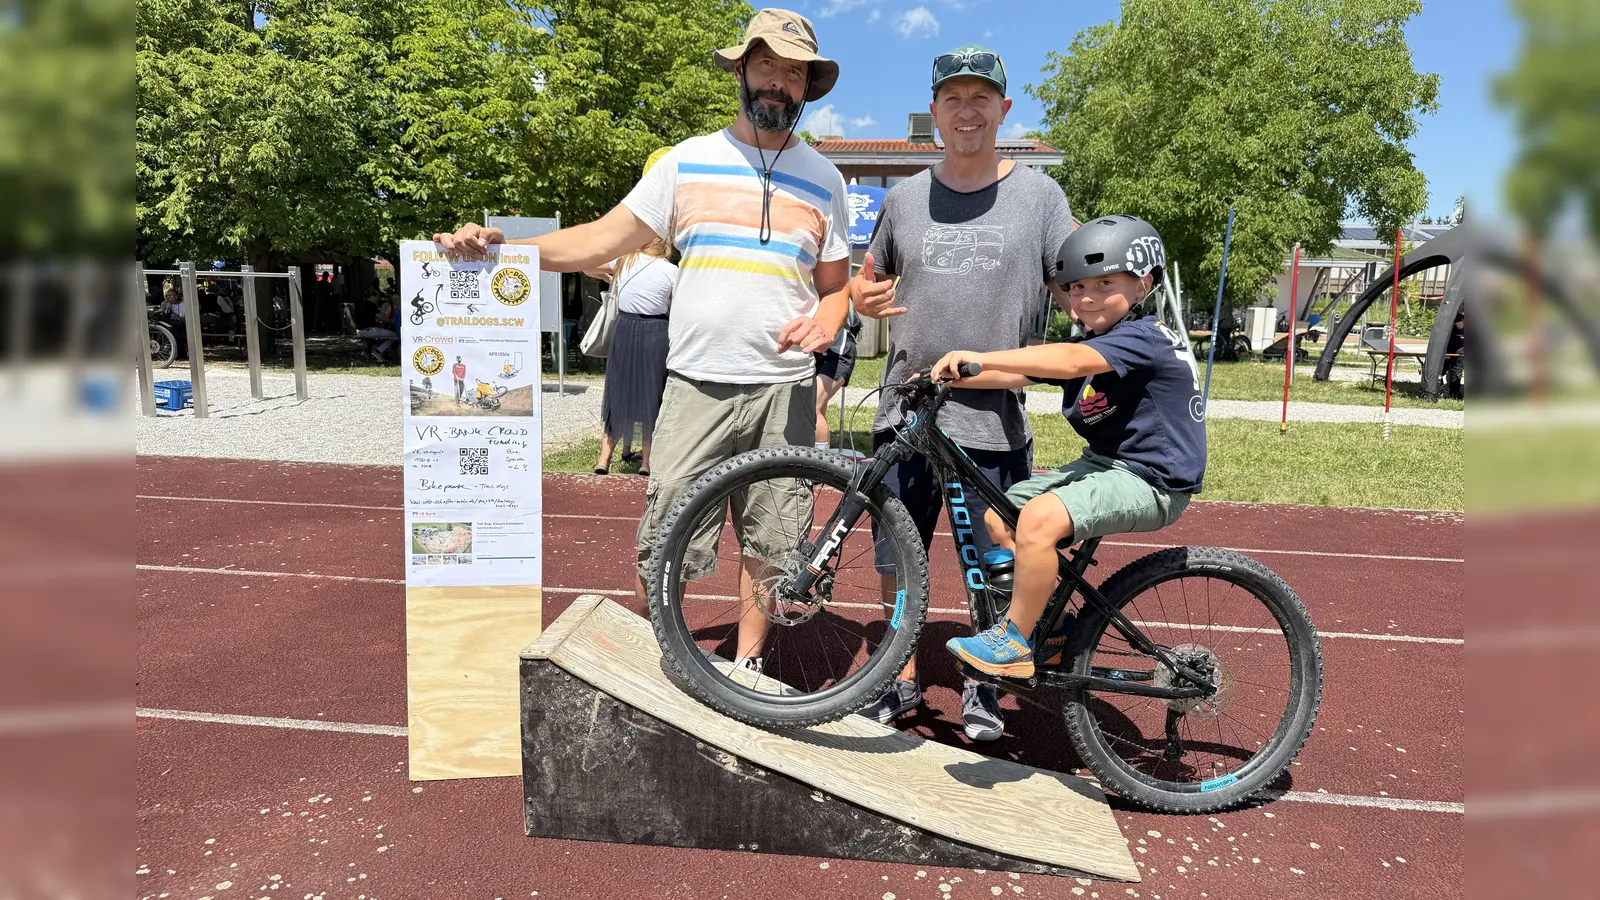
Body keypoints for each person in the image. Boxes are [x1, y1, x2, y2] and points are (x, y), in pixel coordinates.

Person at [435, 9, 852, 628]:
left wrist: (828, 320)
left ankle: (747, 671)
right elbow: (601, 240)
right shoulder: (685, 163)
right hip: (692, 385)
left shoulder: (826, 180)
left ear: (805, 87)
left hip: (783, 392)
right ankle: (659, 665)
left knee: (771, 549)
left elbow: (836, 289)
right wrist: (506, 250)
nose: (779, 82)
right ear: (741, 68)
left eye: (795, 72)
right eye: (768, 64)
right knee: (662, 546)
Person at [848, 43, 1078, 742]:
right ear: (935, 113)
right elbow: (867, 280)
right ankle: (899, 680)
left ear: (1004, 110)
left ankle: (985, 688)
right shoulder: (904, 197)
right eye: (954, 98)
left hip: (993, 417)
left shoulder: (1041, 198)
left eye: (981, 98)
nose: (968, 111)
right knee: (898, 559)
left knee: (998, 564)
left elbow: (1076, 287)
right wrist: (860, 296)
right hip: (905, 413)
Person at [931, 216, 1206, 680]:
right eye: (1076, 287)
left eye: (1104, 282)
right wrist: (948, 375)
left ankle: (1014, 642)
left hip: (1152, 479)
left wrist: (980, 356)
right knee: (1002, 515)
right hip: (1109, 464)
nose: (1088, 296)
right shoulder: (1102, 340)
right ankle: (1054, 634)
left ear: (1145, 283)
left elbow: (1069, 360)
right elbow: (1020, 374)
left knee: (1038, 519)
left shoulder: (1145, 337)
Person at [589, 233, 677, 476]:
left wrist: (605, 276)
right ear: (665, 246)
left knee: (618, 391)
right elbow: (677, 304)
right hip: (657, 332)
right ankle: (646, 462)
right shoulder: (671, 271)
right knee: (652, 393)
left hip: (625, 329)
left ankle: (604, 458)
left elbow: (587, 264)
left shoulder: (625, 260)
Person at [812, 304, 860, 453]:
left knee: (814, 406)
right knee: (820, 407)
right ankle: (817, 453)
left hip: (839, 354)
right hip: (819, 352)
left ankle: (820, 461)